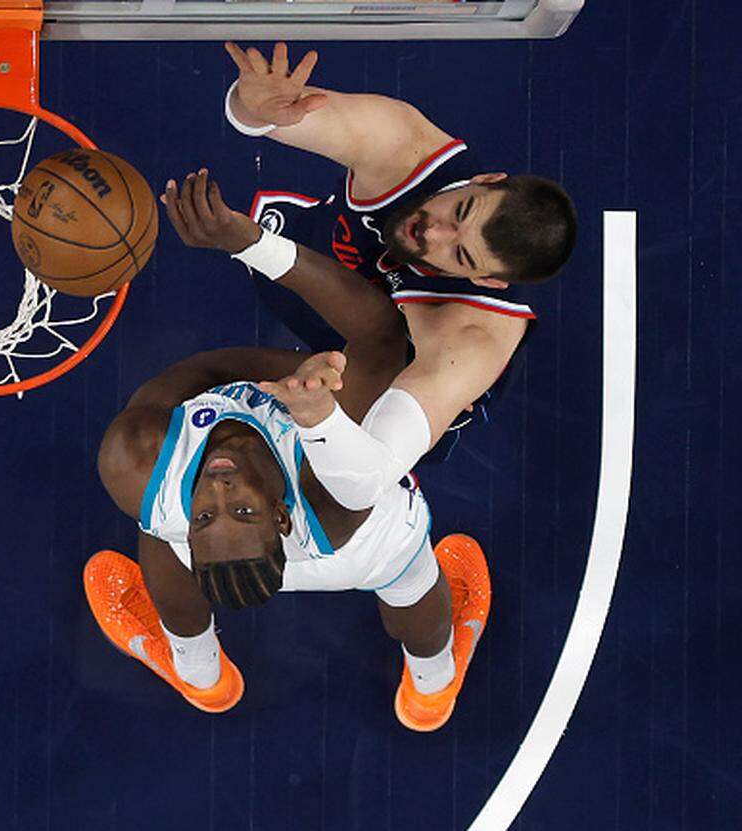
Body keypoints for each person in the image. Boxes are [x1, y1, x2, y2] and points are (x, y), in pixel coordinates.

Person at [85, 170, 490, 731]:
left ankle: (200, 677)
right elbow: (379, 334)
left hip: (262, 540)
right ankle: (433, 686)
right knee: (411, 579)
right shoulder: (335, 488)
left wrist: (279, 379)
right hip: (356, 546)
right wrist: (252, 245)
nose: (220, 490)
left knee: (156, 532)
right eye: (241, 510)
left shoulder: (132, 458)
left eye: (206, 513)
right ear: (277, 515)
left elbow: (197, 373)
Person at [224, 42, 577, 463]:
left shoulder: (471, 337)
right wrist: (254, 109)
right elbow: (281, 115)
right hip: (318, 256)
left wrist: (319, 423)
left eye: (461, 255)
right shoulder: (406, 146)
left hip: (384, 374)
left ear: (486, 280)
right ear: (484, 179)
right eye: (461, 210)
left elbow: (373, 464)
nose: (434, 232)